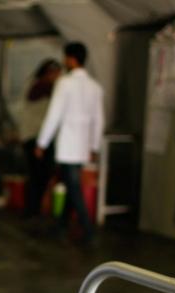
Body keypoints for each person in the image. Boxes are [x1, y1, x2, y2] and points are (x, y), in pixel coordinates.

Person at [35, 42, 104, 245]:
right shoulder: (95, 87)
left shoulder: (64, 83)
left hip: (67, 146)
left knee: (73, 187)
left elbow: (54, 115)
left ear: (71, 59)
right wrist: (94, 146)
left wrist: (42, 142)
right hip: (82, 146)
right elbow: (98, 119)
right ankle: (61, 226)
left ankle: (88, 229)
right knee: (69, 182)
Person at [19, 59, 61, 218]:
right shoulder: (39, 86)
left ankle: (34, 209)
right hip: (35, 138)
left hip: (41, 138)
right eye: (54, 73)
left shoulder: (45, 87)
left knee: (40, 174)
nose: (57, 77)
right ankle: (32, 209)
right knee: (37, 174)